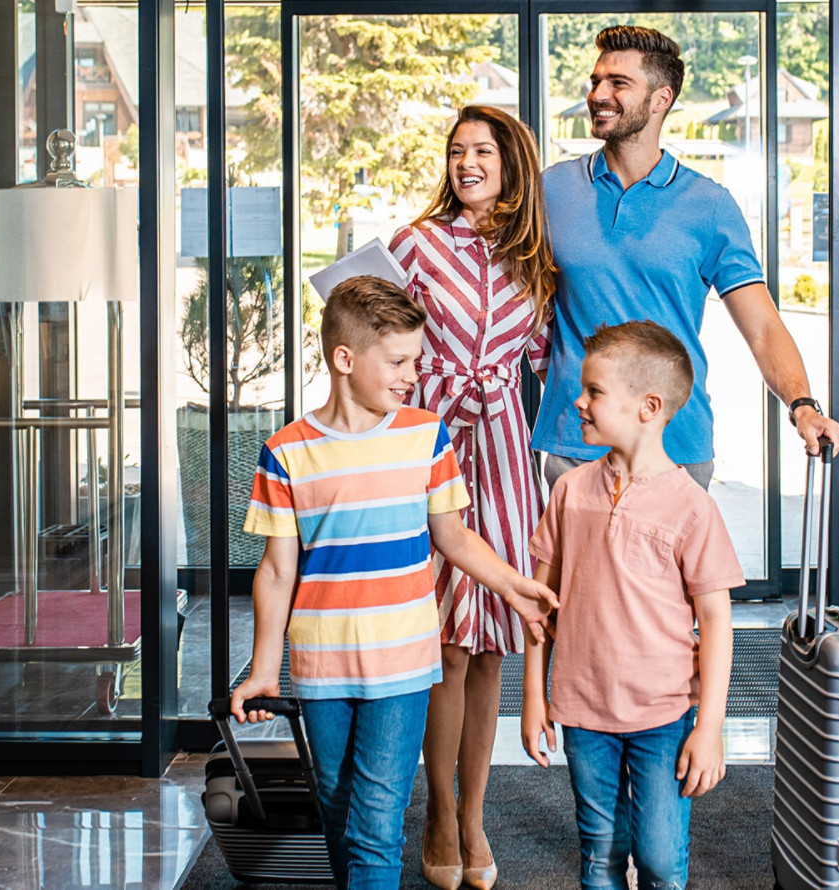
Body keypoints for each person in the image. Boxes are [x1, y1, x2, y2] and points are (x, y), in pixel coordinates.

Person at [229, 276, 556, 890]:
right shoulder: (287, 452)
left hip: (404, 663)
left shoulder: (425, 435)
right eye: (400, 362)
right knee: (337, 805)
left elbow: (453, 537)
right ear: (344, 360)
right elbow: (276, 570)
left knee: (378, 823)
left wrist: (512, 584)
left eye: (418, 361)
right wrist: (264, 668)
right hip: (322, 668)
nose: (413, 375)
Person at [534, 25, 839, 490]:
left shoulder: (710, 204)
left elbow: (761, 328)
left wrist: (802, 405)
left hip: (674, 445)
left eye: (618, 83)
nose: (598, 94)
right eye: (596, 81)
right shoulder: (551, 190)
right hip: (576, 442)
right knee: (577, 568)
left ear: (661, 99)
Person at [386, 105, 559, 890]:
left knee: (493, 647)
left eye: (482, 151)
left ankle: (476, 813)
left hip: (507, 457)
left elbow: (547, 357)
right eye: (457, 152)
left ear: (510, 161)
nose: (466, 163)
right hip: (435, 448)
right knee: (446, 646)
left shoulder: (535, 259)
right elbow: (385, 344)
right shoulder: (417, 245)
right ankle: (438, 809)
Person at [521, 321, 744, 890]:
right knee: (600, 855)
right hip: (581, 710)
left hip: (664, 716)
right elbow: (538, 606)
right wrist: (532, 696)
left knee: (661, 860)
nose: (578, 400)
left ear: (649, 406)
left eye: (594, 391)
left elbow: (717, 621)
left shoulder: (692, 509)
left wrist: (710, 727)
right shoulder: (569, 492)